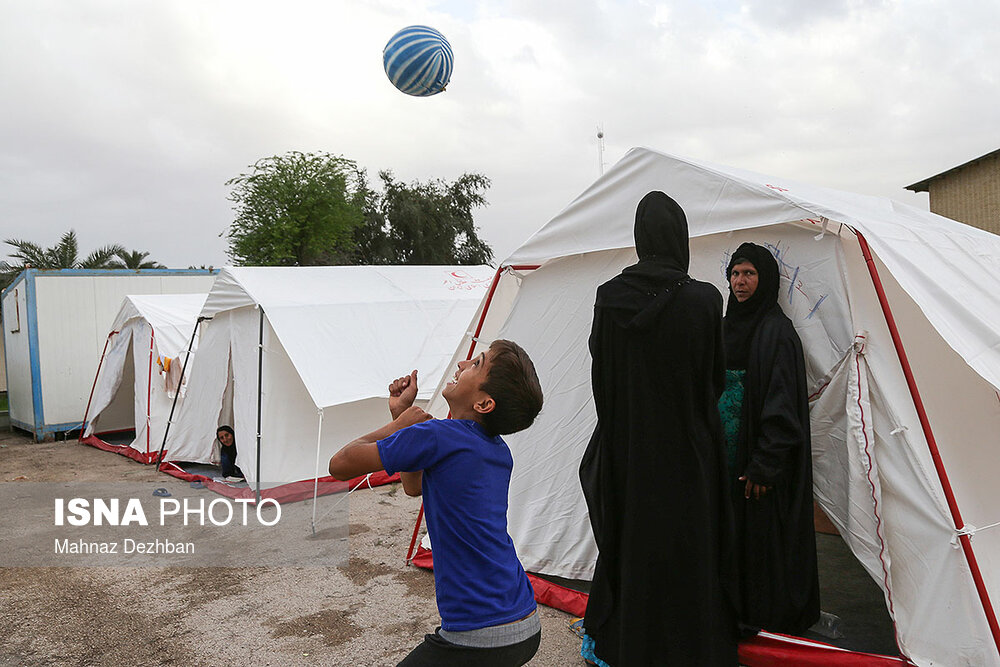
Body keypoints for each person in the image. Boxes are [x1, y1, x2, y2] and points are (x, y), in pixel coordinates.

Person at [579, 191, 738, 666]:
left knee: (634, 548)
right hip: (689, 451)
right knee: (689, 551)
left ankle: (633, 644)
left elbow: (600, 379)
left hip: (628, 449)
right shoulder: (706, 300)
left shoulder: (609, 298)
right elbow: (715, 379)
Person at [328, 340, 544, 667]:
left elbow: (340, 463)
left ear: (485, 403)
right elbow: (413, 486)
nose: (462, 364)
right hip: (523, 620)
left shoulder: (437, 436)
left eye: (476, 364)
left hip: (478, 634)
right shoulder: (498, 450)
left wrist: (397, 427)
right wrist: (402, 415)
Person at [719, 242, 820, 634]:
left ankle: (764, 617)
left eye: (749, 273)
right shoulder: (726, 325)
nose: (740, 282)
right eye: (735, 273)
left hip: (756, 461)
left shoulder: (777, 333)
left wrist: (764, 464)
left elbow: (782, 408)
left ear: (766, 279)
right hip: (724, 455)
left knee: (761, 539)